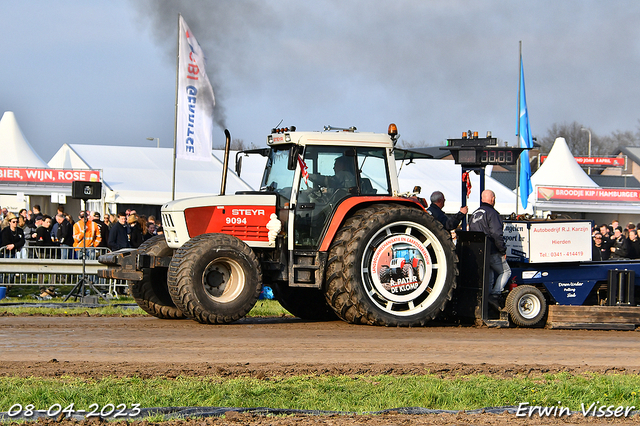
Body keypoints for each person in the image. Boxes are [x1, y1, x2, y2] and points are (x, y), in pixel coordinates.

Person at [469, 189, 511, 310]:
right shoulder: (492, 213)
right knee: (506, 271)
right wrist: (502, 251)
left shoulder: (475, 213)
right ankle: (495, 295)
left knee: (490, 275)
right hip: (491, 251)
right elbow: (497, 234)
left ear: (482, 199)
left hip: (478, 252)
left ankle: (485, 302)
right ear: (493, 199)